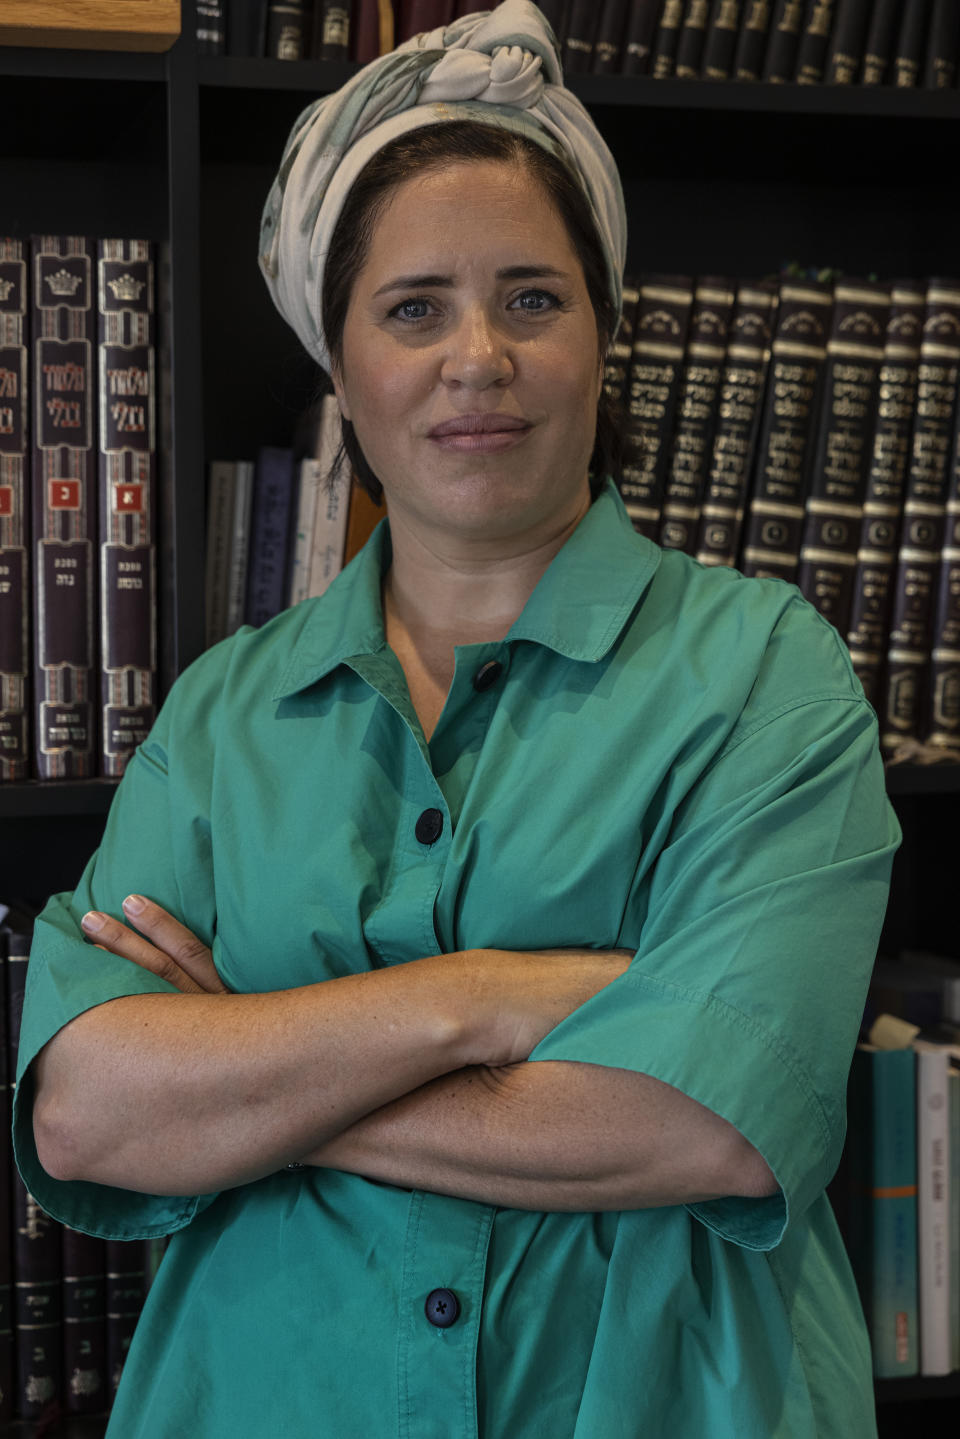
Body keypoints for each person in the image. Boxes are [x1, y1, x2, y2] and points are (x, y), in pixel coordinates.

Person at [15, 3, 900, 1435]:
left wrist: (249, 1074)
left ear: (603, 337)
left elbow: (708, 1125)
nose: (476, 356)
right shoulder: (221, 713)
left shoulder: (764, 678)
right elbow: (84, 1115)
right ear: (340, 363)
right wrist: (482, 997)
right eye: (413, 306)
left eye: (533, 298)